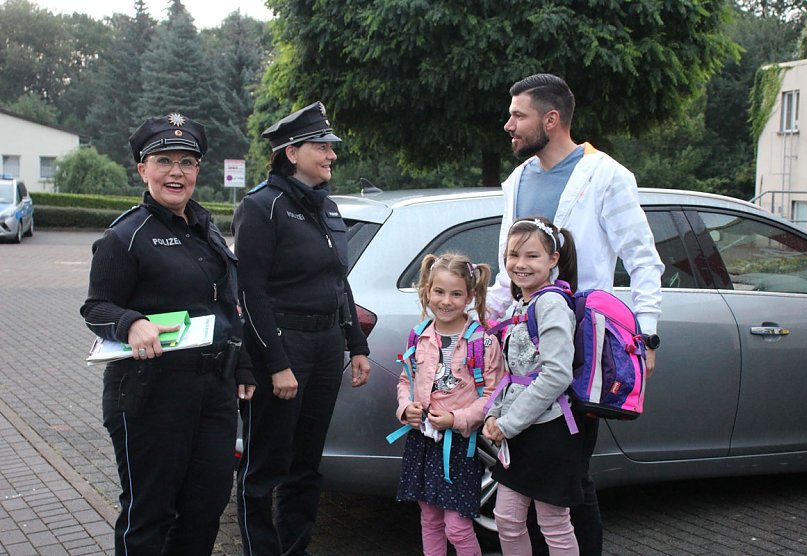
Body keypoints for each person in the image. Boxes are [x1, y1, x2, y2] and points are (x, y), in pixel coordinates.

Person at [486, 73, 664, 555]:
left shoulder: (606, 175)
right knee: (529, 480)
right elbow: (509, 270)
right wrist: (483, 325)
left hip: (579, 353)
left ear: (551, 119)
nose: (509, 125)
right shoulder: (518, 180)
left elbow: (643, 259)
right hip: (524, 353)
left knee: (569, 481)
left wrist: (646, 335)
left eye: (518, 115)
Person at [80, 112, 257, 556]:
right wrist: (130, 322)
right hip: (149, 394)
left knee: (205, 508)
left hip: (212, 393)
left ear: (198, 171)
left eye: (187, 162)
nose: (176, 171)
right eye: (163, 160)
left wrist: (245, 366)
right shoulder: (125, 236)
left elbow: (227, 304)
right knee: (149, 512)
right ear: (143, 170)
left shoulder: (206, 229)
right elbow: (95, 307)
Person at [232, 101, 371, 555]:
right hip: (283, 347)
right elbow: (250, 292)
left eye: (332, 148)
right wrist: (276, 363)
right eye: (322, 147)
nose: (332, 155)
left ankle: (295, 547)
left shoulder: (326, 207)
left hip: (325, 345)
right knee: (265, 464)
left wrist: (356, 344)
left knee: (307, 464)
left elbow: (338, 282)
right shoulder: (261, 207)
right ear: (291, 152)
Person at [483, 218, 585, 555]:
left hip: (548, 431)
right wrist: (493, 414)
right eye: (514, 255)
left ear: (553, 259)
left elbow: (556, 375)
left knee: (553, 524)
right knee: (508, 519)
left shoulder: (552, 304)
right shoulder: (521, 303)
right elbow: (511, 372)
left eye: (532, 256)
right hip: (519, 430)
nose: (520, 264)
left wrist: (508, 424)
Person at [395, 253, 504, 556]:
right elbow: (406, 381)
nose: (446, 301)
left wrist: (455, 418)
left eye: (456, 294)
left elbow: (493, 396)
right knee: (429, 519)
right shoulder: (418, 336)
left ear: (471, 295)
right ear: (427, 291)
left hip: (460, 448)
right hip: (423, 443)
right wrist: (407, 409)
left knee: (457, 526)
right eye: (439, 292)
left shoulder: (483, 342)